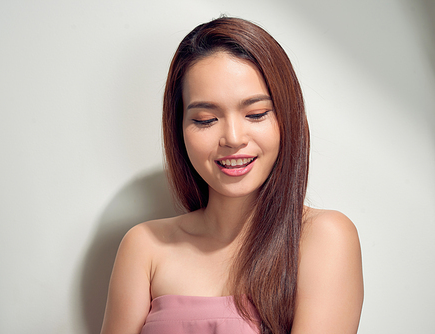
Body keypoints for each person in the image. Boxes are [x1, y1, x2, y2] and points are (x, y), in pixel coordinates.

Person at [100, 17, 363, 334]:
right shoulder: (144, 247)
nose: (234, 138)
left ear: (286, 119)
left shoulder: (325, 238)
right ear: (179, 129)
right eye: (206, 119)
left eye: (256, 114)